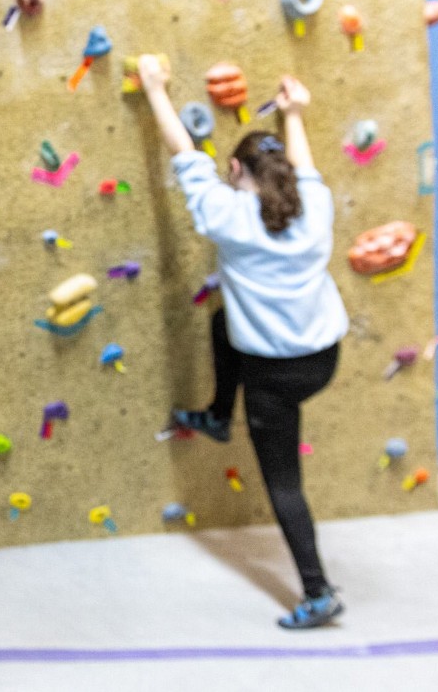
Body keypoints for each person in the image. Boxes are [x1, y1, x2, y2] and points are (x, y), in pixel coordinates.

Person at [137, 55, 349, 630]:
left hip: (273, 377)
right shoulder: (316, 208)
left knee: (284, 485)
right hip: (322, 358)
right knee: (220, 321)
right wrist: (295, 114)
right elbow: (303, 168)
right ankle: (216, 415)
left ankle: (317, 591)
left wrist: (155, 88)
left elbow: (184, 155)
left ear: (234, 169)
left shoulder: (225, 215)